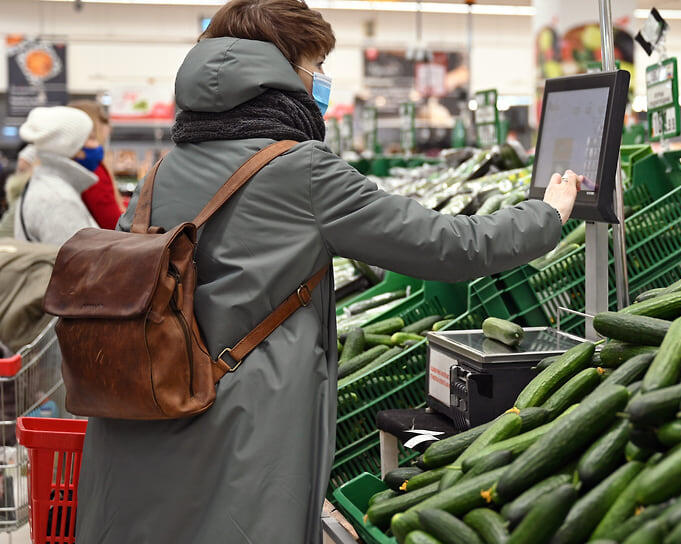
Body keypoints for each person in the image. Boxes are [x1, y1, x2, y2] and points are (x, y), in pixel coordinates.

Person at [75, 1, 581, 542]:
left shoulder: (162, 170)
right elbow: (446, 246)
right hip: (242, 428)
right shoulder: (301, 170)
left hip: (141, 415)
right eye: (316, 65)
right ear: (283, 69)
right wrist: (544, 215)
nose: (322, 81)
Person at [13, 107, 98, 245]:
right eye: (91, 138)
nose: (97, 145)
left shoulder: (47, 186)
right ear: (69, 146)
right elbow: (78, 263)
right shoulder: (58, 199)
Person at [69, 100, 124, 229]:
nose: (109, 128)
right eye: (103, 121)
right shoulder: (92, 169)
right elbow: (114, 225)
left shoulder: (66, 167)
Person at [0, 145, 36, 239]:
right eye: (18, 170)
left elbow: (4, 232)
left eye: (22, 171)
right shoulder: (19, 198)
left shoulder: (25, 200)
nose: (18, 176)